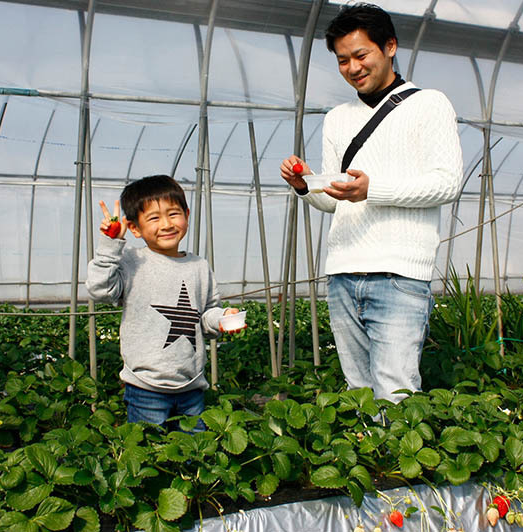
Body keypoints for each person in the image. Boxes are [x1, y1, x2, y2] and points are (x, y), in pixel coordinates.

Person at [279, 3, 462, 403]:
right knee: (358, 394)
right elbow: (335, 202)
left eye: (361, 55)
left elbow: (447, 184)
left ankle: (397, 446)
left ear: (390, 46)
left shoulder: (429, 104)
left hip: (399, 273)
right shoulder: (336, 118)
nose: (353, 68)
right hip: (343, 272)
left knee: (395, 391)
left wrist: (372, 190)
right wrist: (306, 186)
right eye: (342, 60)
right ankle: (367, 446)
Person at [85, 174, 241, 430]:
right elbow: (100, 289)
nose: (167, 224)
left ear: (187, 215)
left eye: (173, 214)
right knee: (149, 446)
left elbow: (206, 315)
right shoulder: (131, 262)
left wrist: (221, 318)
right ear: (135, 228)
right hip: (145, 387)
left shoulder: (199, 266)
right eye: (154, 218)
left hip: (191, 385)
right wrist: (110, 245)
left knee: (194, 448)